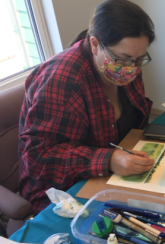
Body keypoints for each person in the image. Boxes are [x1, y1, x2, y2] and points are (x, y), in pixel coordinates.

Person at [18, 0, 156, 215]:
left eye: (139, 60)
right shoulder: (61, 80)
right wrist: (108, 159)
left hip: (115, 174)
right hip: (60, 193)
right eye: (123, 59)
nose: (130, 69)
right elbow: (39, 158)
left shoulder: (128, 66)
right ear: (94, 44)